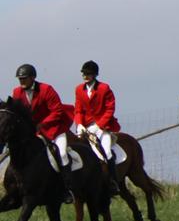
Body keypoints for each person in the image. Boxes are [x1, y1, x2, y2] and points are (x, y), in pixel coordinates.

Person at [12, 64, 75, 203]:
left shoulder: (46, 90)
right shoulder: (17, 92)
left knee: (63, 154)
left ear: (33, 78)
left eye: (24, 78)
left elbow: (57, 111)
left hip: (54, 129)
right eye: (20, 79)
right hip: (34, 132)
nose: (21, 81)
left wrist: (42, 124)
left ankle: (67, 189)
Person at [74, 60, 121, 191]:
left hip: (102, 127)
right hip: (86, 126)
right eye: (83, 73)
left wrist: (99, 125)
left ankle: (113, 182)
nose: (85, 76)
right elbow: (78, 110)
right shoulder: (79, 89)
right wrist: (79, 124)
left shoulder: (104, 88)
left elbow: (110, 108)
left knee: (106, 152)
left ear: (94, 75)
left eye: (88, 74)